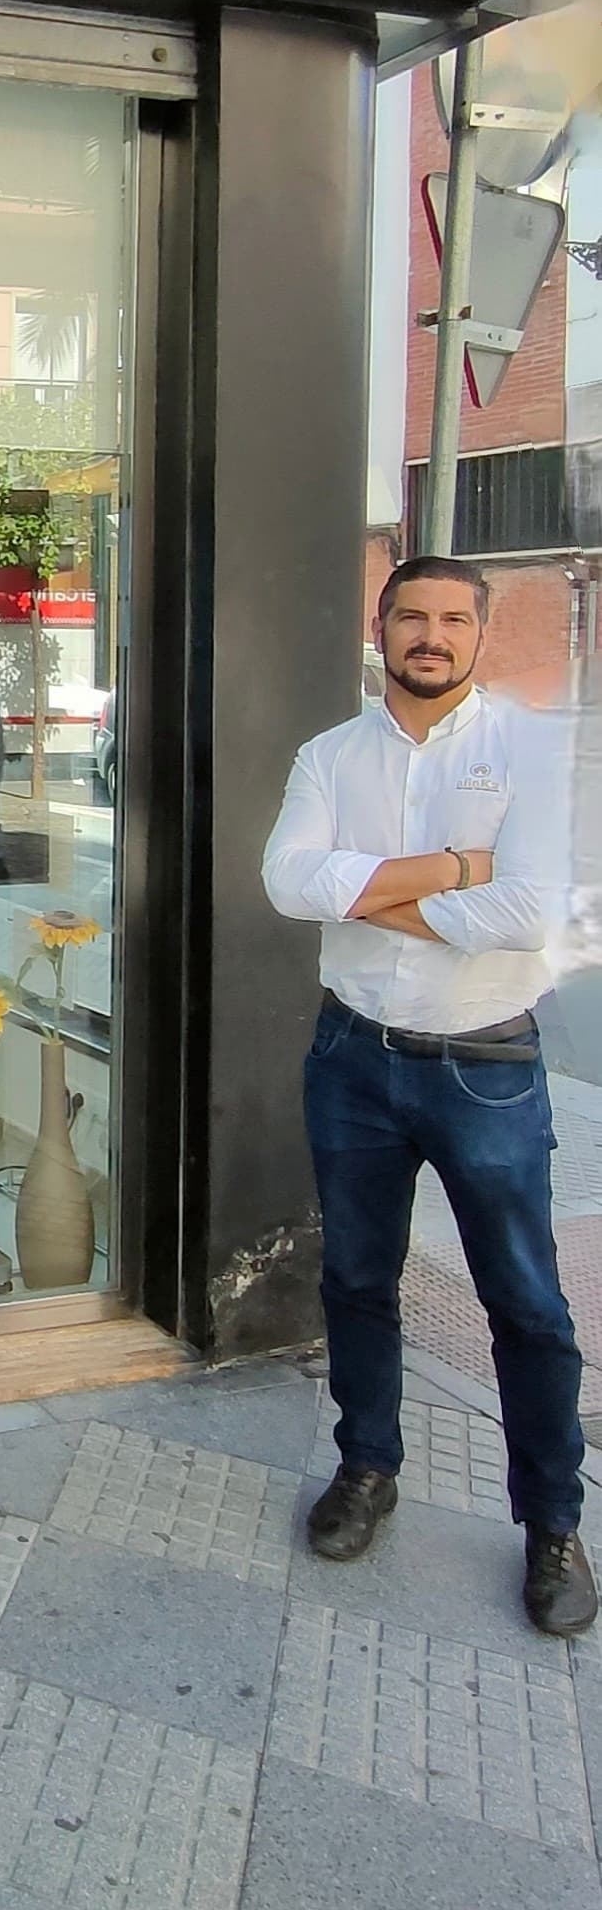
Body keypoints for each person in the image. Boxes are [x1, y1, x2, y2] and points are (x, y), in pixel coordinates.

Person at [262, 553, 591, 1635]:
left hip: (483, 1067)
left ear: (479, 635)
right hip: (351, 1057)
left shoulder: (529, 751)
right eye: (413, 616)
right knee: (357, 1278)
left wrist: (364, 890)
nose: (432, 637)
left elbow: (530, 914)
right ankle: (368, 1467)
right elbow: (285, 881)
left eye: (454, 619)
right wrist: (456, 866)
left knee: (525, 1304)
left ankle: (553, 1525)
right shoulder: (330, 755)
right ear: (382, 626)